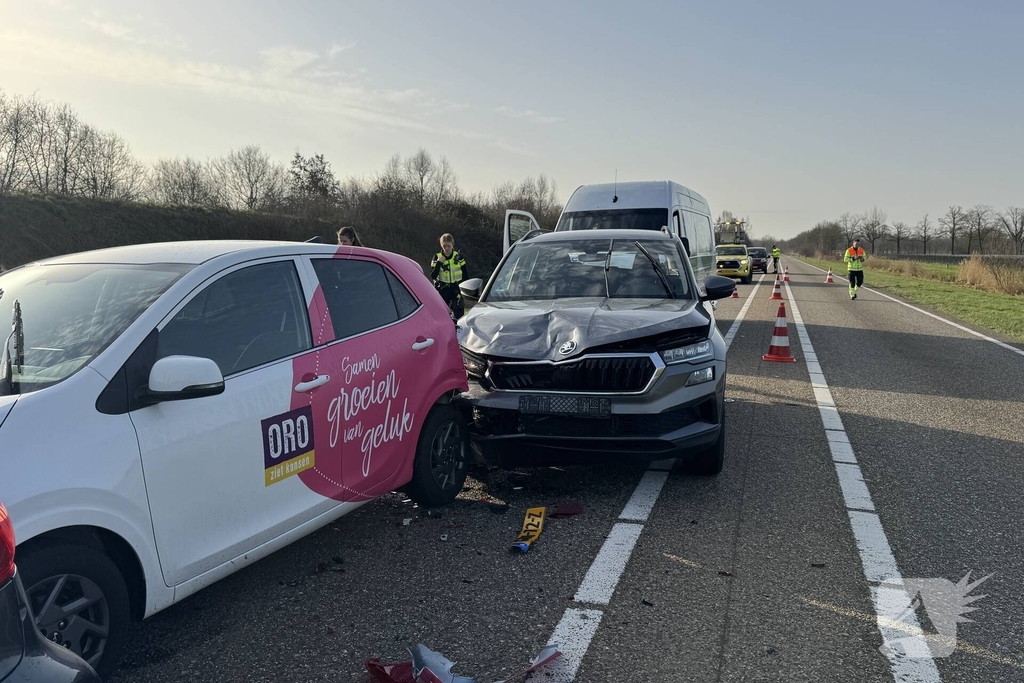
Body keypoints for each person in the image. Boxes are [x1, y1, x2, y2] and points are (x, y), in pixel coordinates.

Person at [430, 233, 469, 318]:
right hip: (443, 289)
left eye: (449, 246)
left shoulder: (458, 257)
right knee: (442, 315)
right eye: (444, 246)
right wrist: (439, 263)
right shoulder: (437, 257)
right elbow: (433, 275)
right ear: (441, 245)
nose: (447, 249)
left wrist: (465, 290)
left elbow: (465, 274)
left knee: (459, 315)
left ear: (452, 244)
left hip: (456, 288)